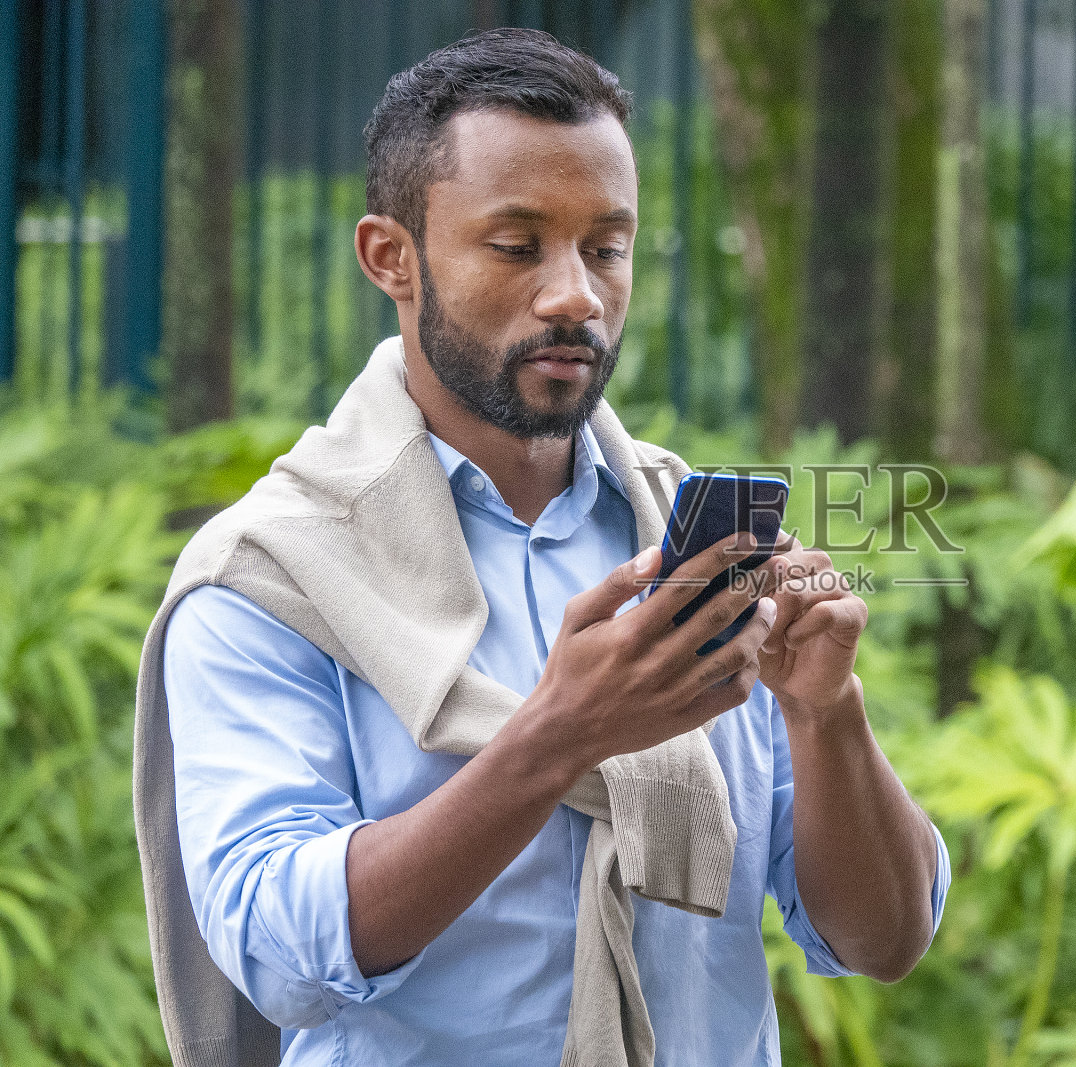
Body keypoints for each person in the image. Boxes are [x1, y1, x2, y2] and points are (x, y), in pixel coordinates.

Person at [134, 27, 950, 1067]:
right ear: (392, 257)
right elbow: (279, 953)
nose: (576, 294)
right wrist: (556, 737)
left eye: (606, 247)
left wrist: (825, 712)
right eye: (517, 245)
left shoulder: (693, 539)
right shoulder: (269, 576)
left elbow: (881, 939)